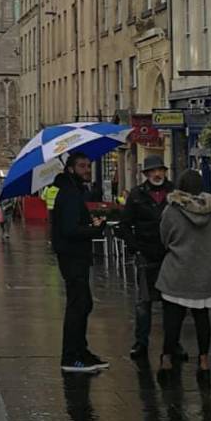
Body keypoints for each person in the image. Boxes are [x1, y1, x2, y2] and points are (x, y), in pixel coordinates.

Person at [156, 169, 211, 383]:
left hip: (177, 270)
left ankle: (167, 359)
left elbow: (165, 237)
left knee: (172, 319)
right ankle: (203, 361)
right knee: (202, 318)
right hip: (205, 271)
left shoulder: (172, 210)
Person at [51, 152, 108, 373]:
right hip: (71, 256)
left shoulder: (76, 192)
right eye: (83, 166)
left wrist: (91, 223)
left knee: (84, 304)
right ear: (71, 169)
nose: (87, 169)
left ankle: (81, 351)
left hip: (77, 255)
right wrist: (94, 229)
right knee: (78, 305)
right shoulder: (70, 194)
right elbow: (69, 229)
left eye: (88, 165)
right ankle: (71, 357)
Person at [121, 154, 174, 361]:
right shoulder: (137, 195)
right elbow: (125, 224)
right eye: (153, 171)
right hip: (146, 252)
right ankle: (141, 342)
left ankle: (172, 344)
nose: (157, 174)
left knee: (172, 302)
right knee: (144, 301)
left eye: (160, 170)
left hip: (170, 253)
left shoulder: (174, 193)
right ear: (146, 174)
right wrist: (135, 247)